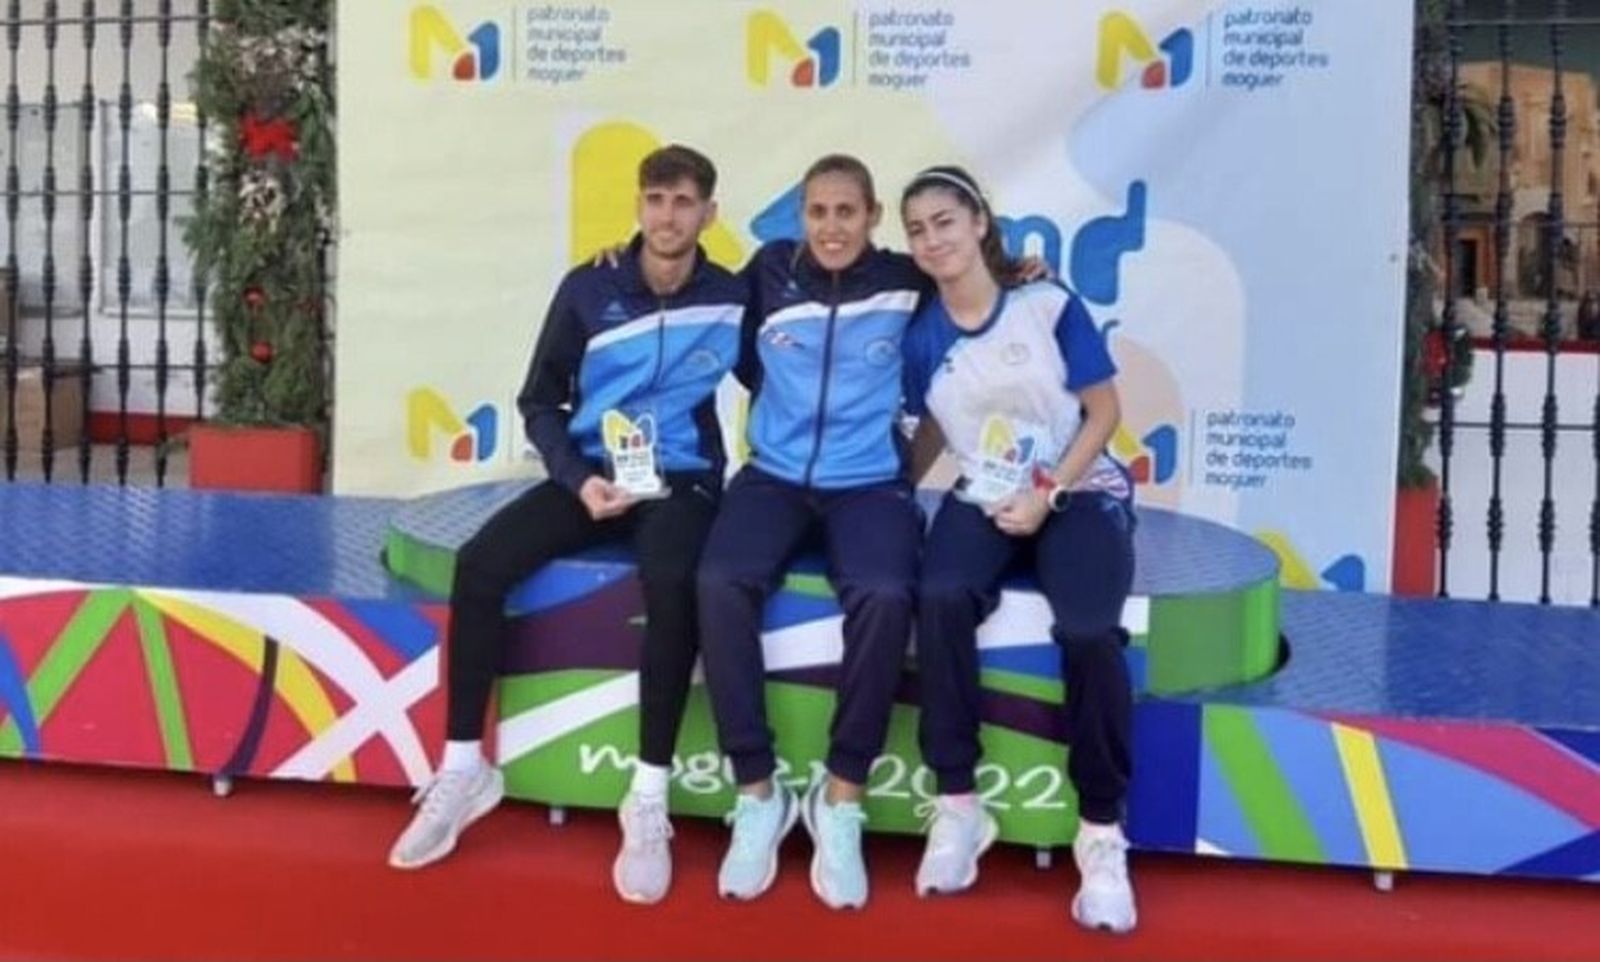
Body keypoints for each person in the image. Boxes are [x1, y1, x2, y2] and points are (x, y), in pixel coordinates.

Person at [388, 145, 746, 907]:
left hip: (681, 479)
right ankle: (464, 768)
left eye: (684, 202)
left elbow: (801, 346)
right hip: (591, 474)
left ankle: (647, 796)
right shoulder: (590, 285)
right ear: (639, 205)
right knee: (481, 564)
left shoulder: (735, 295)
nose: (667, 216)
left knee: (674, 580)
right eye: (655, 199)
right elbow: (540, 402)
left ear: (709, 213)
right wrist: (578, 478)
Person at [899, 165, 1139, 933]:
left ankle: (1101, 832)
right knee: (939, 597)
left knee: (1089, 632)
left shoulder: (1045, 301)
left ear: (978, 223)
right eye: (917, 228)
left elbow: (1104, 411)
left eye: (945, 220)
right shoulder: (920, 333)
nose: (933, 238)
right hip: (984, 490)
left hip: (1078, 488)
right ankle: (959, 803)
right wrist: (882, 495)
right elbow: (931, 427)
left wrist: (1050, 496)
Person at [696, 154, 926, 910]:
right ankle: (757, 793)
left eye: (846, 212)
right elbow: (688, 287)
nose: (831, 227)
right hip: (776, 476)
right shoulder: (767, 273)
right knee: (720, 580)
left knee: (888, 594)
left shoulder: (905, 279)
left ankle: (841, 798)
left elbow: (974, 283)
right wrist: (616, 260)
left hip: (869, 484)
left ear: (872, 217)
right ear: (802, 217)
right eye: (818, 212)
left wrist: (1018, 271)